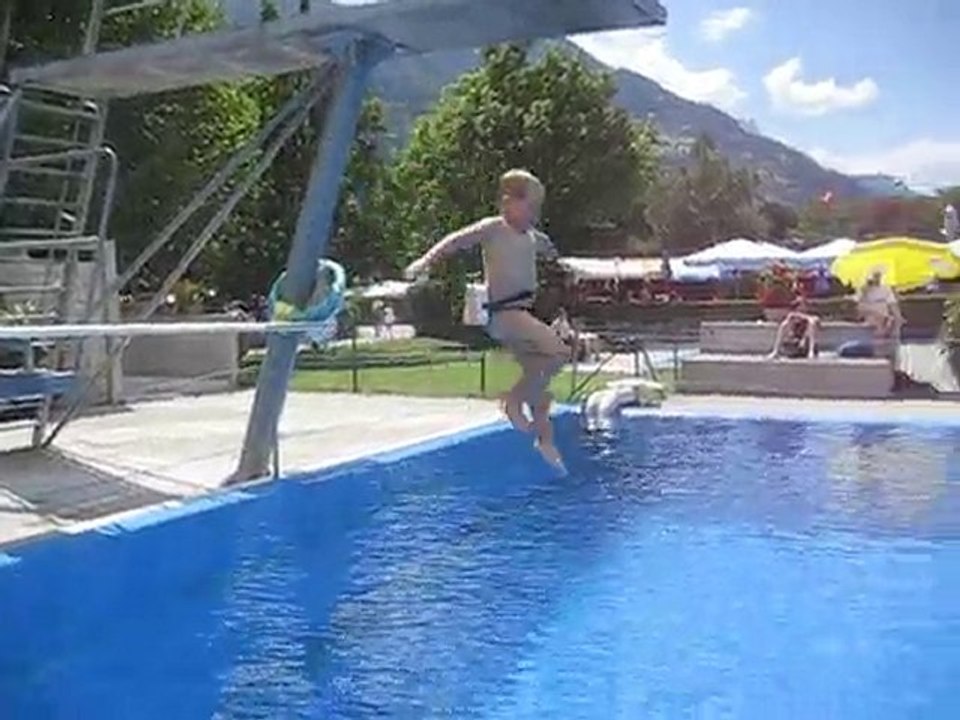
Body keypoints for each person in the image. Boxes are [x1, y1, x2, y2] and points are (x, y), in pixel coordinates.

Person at [404, 169, 569, 470]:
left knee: (541, 388)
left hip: (522, 313)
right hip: (505, 314)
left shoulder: (533, 237)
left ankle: (545, 445)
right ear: (508, 202)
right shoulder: (494, 228)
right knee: (559, 353)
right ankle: (513, 400)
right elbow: (454, 241)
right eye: (529, 206)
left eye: (536, 208)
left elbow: (553, 252)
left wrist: (568, 265)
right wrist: (425, 262)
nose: (533, 213)